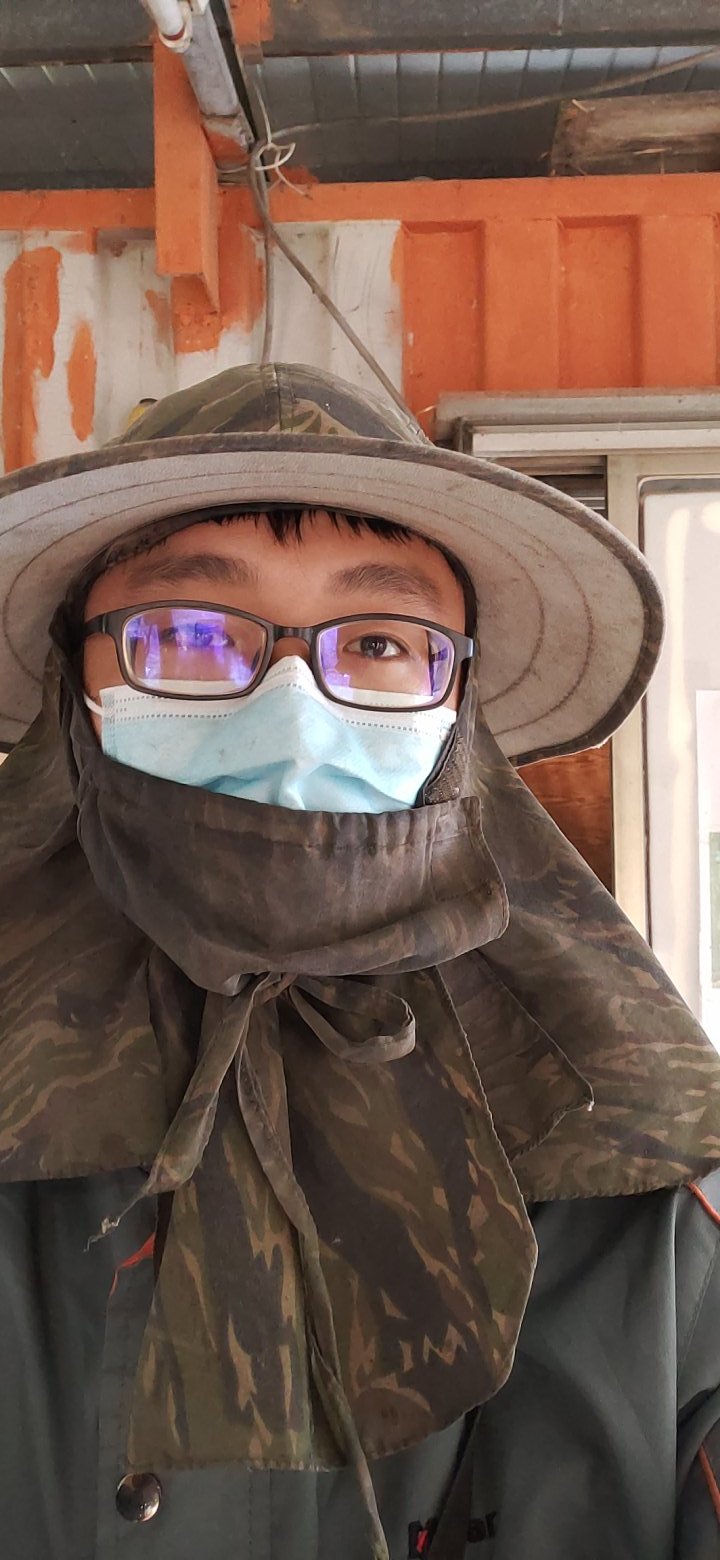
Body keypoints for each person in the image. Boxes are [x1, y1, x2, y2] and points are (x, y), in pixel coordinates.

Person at [0, 361, 719, 1560]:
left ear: (457, 708)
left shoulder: (642, 1174)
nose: (292, 714)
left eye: (381, 640)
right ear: (76, 688)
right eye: (191, 632)